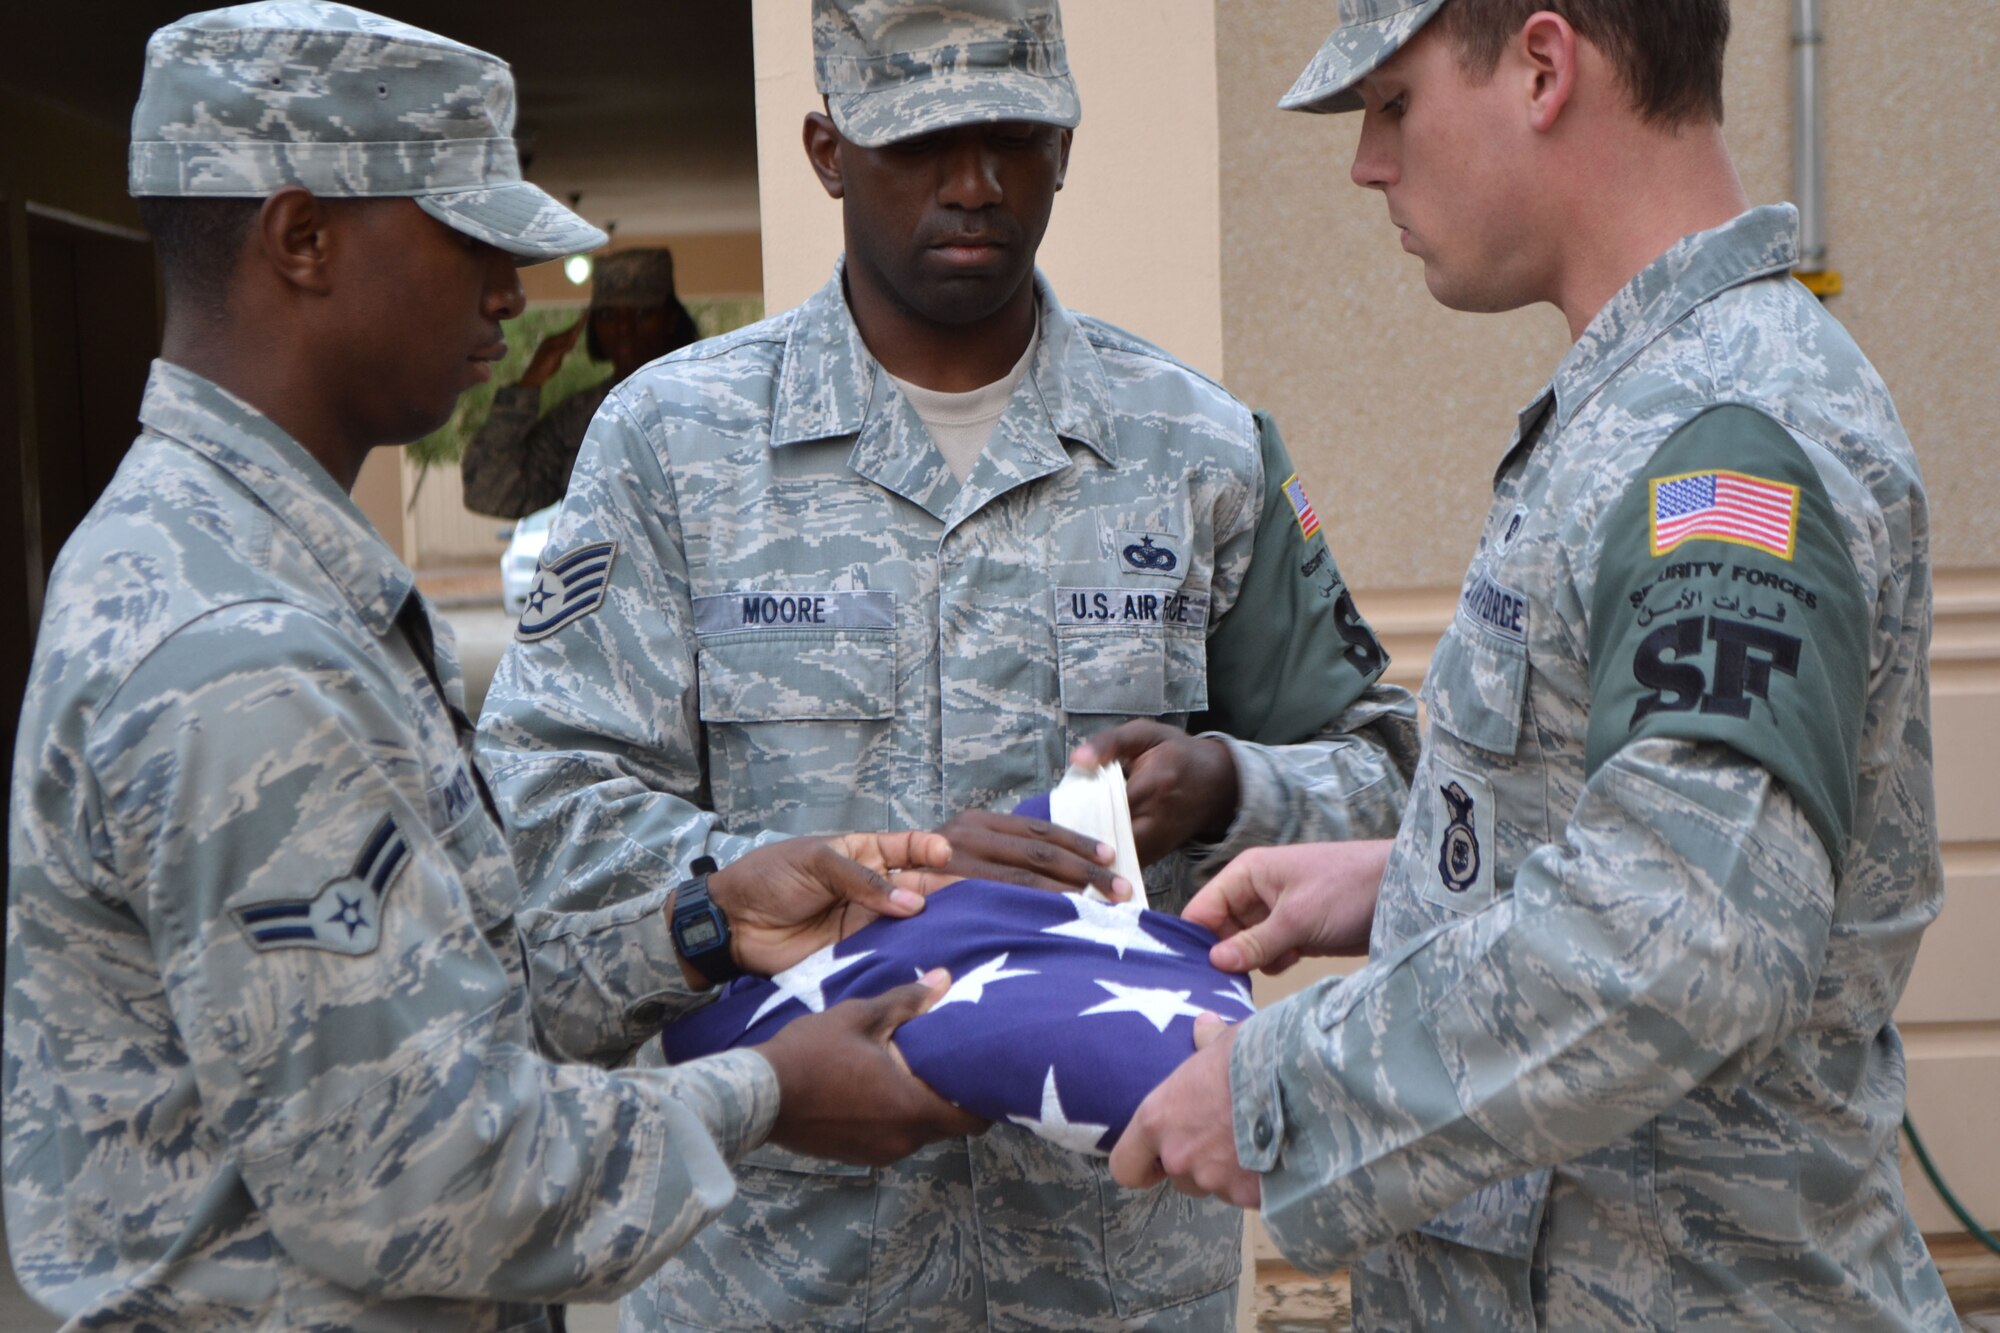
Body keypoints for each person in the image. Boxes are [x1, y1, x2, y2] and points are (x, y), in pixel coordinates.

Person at [3, 7, 982, 1330]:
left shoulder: (251, 566)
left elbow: (417, 1009)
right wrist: (770, 1093)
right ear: (303, 239)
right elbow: (416, 1174)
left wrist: (693, 932)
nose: (510, 295)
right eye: (472, 240)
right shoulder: (235, 650)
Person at [476, 0, 1417, 1326]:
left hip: (1112, 1271)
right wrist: (825, 886)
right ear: (826, 149)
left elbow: (1395, 784)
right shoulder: (671, 447)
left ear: (1066, 149)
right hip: (772, 1266)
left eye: (1015, 139)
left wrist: (1226, 787)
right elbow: (545, 820)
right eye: (923, 142)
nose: (975, 184)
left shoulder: (1196, 448)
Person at [1110, 2, 1958, 1329]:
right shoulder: (1642, 407)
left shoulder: (1725, 439)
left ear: (1545, 67)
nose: (1367, 164)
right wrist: (1414, 882)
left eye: (1394, 104)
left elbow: (1683, 934)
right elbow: (1651, 833)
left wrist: (1278, 1090)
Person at [461, 247, 702, 519]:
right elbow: (488, 494)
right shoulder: (578, 418)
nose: (624, 328)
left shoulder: (707, 401)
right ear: (592, 325)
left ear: (670, 319)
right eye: (609, 315)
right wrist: (530, 383)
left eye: (642, 313)